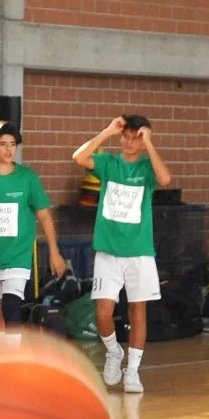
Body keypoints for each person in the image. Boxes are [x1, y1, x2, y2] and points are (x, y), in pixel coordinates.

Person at [72, 115, 172, 393]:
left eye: (135, 138)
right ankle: (113, 351)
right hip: (108, 251)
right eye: (125, 137)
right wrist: (106, 132)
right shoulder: (109, 164)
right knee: (103, 310)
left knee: (138, 310)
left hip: (139, 252)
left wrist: (149, 143)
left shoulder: (147, 168)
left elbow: (165, 178)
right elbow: (79, 157)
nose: (129, 143)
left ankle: (133, 371)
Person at [0, 121, 66, 344]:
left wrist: (54, 252)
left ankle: (15, 356)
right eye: (3, 144)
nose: (9, 149)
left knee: (12, 304)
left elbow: (45, 216)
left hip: (18, 255)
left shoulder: (28, 178)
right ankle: (5, 355)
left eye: (12, 144)